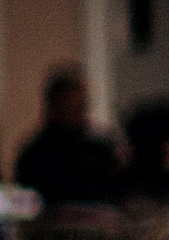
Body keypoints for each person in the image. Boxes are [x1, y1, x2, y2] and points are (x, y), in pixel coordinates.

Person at [13, 64, 126, 206]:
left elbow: (117, 193)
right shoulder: (34, 154)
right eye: (67, 106)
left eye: (79, 107)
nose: (74, 114)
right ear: (52, 107)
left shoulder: (100, 147)